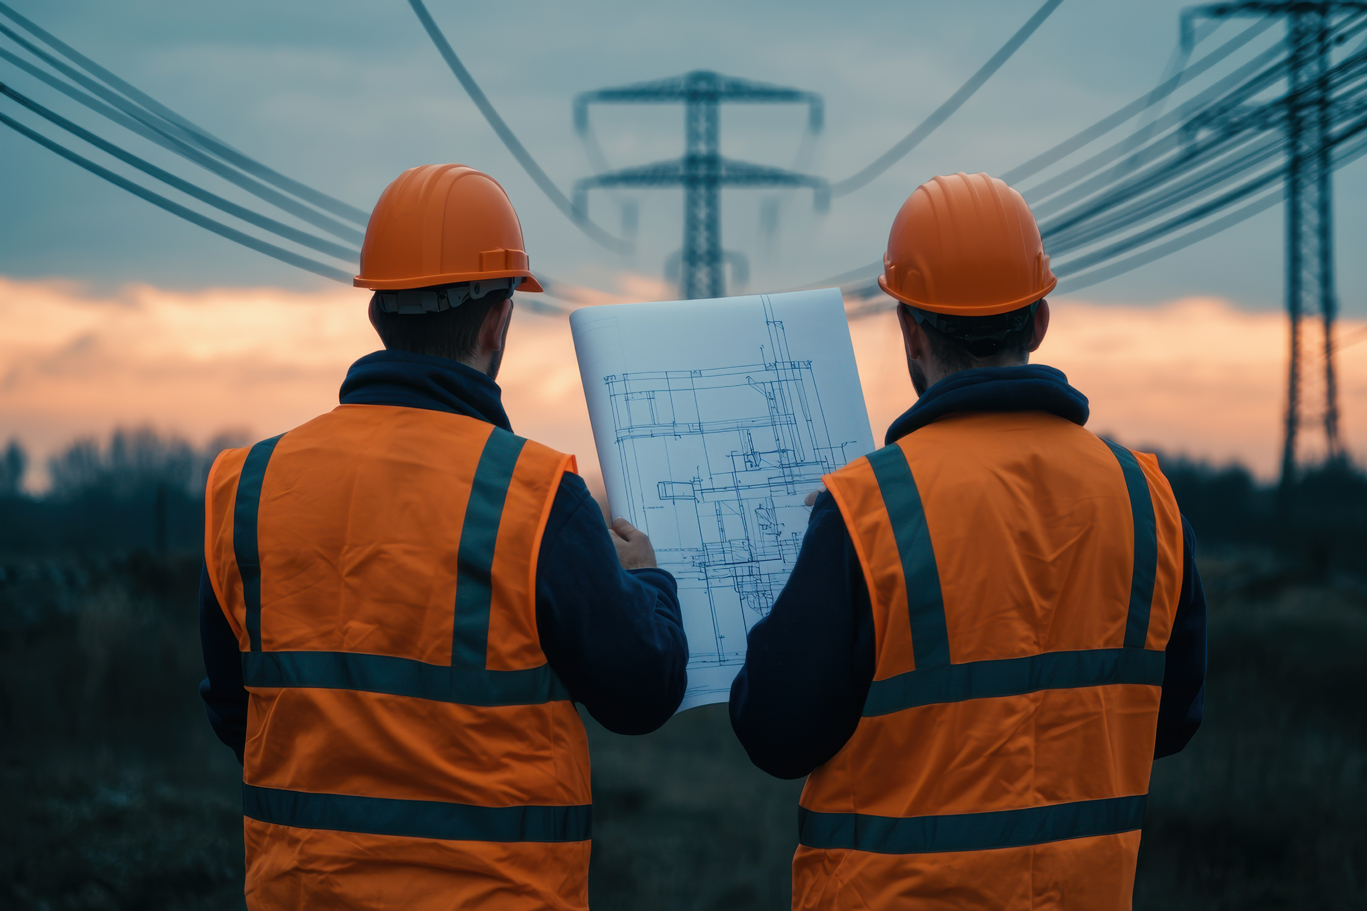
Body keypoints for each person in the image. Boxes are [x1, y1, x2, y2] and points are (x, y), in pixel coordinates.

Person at [198, 164, 688, 910]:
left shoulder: (249, 487)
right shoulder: (530, 494)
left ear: (377, 316)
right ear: (498, 321)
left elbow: (238, 710)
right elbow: (641, 688)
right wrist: (647, 581)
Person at [729, 172, 1206, 910]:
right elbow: (1168, 720)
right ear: (1039, 321)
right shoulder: (1147, 500)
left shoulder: (867, 512)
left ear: (910, 332)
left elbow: (775, 730)